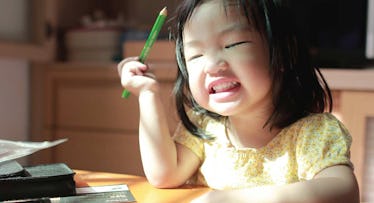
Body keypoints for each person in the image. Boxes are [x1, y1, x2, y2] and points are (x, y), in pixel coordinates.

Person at [117, 0, 360, 202]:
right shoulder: (204, 127)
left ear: (285, 52)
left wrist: (233, 199)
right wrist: (148, 94)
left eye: (233, 44)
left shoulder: (313, 133)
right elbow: (164, 175)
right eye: (196, 54)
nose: (211, 65)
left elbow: (344, 191)